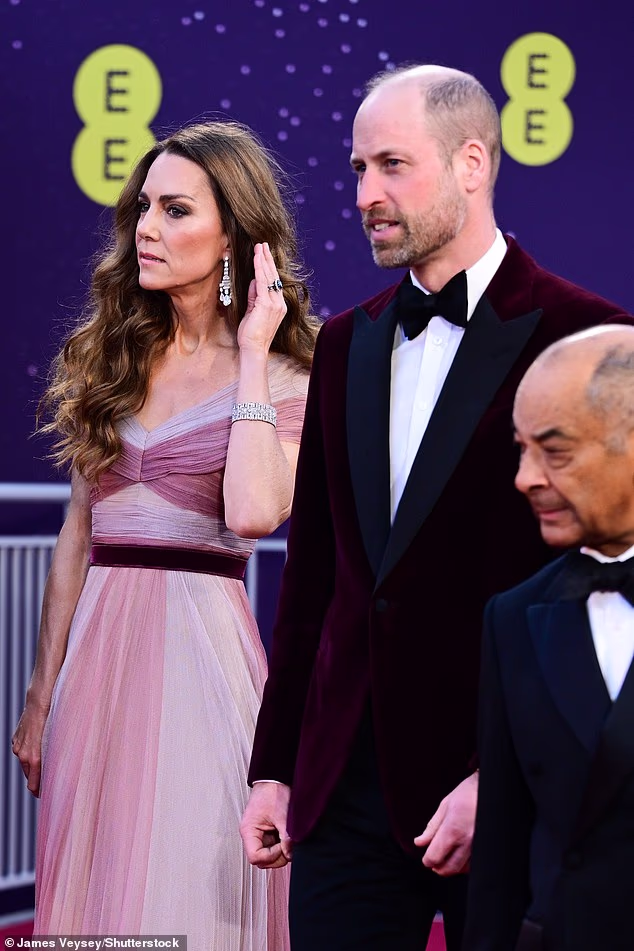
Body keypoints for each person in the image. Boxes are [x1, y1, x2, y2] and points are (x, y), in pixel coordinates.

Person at [240, 64, 632, 950]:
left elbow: (606, 583)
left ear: (471, 163)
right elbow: (316, 582)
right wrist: (275, 767)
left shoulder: (587, 337)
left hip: (514, 782)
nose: (366, 195)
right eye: (356, 170)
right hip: (345, 787)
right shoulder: (346, 342)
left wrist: (497, 774)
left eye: (391, 165)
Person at [11, 120, 317, 947]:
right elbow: (79, 533)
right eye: (144, 206)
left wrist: (252, 352)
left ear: (234, 236)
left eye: (176, 210)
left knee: (190, 886)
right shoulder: (109, 358)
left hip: (204, 660)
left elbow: (255, 511)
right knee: (95, 896)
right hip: (97, 667)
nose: (147, 227)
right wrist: (41, 694)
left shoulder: (291, 376)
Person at [463, 326, 634, 951]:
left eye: (555, 452)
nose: (525, 478)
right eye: (521, 450)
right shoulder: (514, 618)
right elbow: (500, 860)